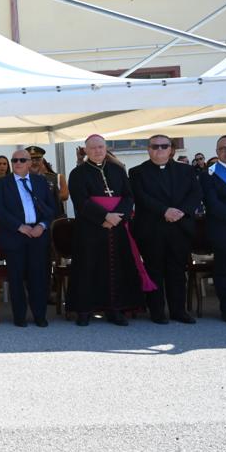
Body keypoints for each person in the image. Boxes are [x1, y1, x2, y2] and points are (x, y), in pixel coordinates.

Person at [66, 135, 145, 326]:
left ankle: (115, 309)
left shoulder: (117, 170)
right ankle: (84, 311)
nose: (97, 151)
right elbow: (81, 201)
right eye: (92, 148)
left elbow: (128, 196)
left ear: (106, 148)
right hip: (90, 229)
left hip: (116, 228)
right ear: (85, 150)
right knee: (88, 268)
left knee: (115, 269)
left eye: (100, 147)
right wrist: (104, 217)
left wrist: (118, 217)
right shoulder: (78, 173)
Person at [129, 135, 203, 324]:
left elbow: (196, 194)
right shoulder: (137, 172)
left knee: (177, 270)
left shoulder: (186, 170)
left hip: (179, 227)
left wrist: (181, 212)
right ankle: (157, 311)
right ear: (148, 149)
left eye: (164, 146)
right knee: (154, 270)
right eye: (155, 146)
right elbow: (141, 197)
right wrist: (164, 211)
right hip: (152, 229)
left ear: (171, 149)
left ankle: (179, 311)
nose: (159, 149)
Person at [0, 150, 55, 327]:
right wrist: (20, 226)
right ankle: (19, 317)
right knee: (16, 278)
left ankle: (39, 316)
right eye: (14, 160)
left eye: (22, 160)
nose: (17, 162)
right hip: (14, 236)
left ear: (29, 163)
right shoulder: (2, 184)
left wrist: (41, 226)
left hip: (38, 235)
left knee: (39, 277)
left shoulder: (41, 182)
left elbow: (51, 208)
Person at [202, 135, 226, 323]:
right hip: (222, 229)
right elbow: (212, 203)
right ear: (216, 152)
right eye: (222, 149)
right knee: (225, 271)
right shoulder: (209, 173)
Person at [27, 146, 68, 219]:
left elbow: (63, 197)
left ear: (42, 161)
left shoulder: (52, 179)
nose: (34, 162)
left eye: (37, 159)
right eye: (31, 160)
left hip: (52, 221)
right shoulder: (19, 180)